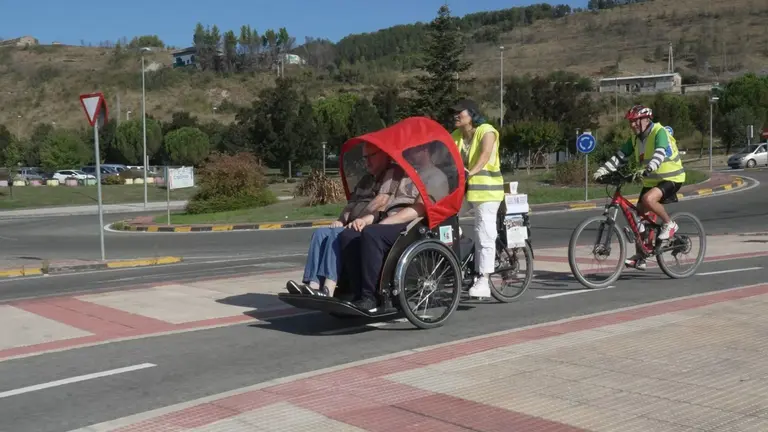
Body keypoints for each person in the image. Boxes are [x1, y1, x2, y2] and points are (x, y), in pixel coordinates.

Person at [338, 144, 450, 312]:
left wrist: (383, 223)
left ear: (425, 151)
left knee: (372, 234)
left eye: (413, 150)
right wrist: (368, 219)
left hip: (414, 225)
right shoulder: (406, 175)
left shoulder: (435, 177)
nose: (408, 153)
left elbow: (418, 209)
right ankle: (357, 292)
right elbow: (386, 205)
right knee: (349, 235)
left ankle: (371, 297)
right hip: (390, 219)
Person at [286, 142, 404, 296]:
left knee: (337, 235)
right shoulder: (366, 179)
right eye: (365, 157)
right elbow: (350, 205)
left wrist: (360, 218)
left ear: (383, 154)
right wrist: (341, 220)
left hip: (370, 223)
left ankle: (328, 288)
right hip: (353, 223)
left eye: (371, 156)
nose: (367, 161)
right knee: (321, 233)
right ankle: (312, 285)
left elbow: (381, 201)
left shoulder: (391, 173)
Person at [593, 104, 686, 270]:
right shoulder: (635, 140)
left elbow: (660, 152)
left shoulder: (659, 131)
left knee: (648, 199)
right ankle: (641, 257)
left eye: (636, 121)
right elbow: (619, 157)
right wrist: (601, 171)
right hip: (651, 181)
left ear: (646, 119)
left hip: (672, 177)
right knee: (638, 218)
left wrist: (649, 167)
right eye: (631, 122)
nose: (633, 125)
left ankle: (669, 223)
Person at [450, 99, 505, 299]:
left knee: (484, 231)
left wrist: (469, 172)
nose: (455, 115)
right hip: (465, 192)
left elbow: (485, 155)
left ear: (471, 114)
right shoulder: (456, 136)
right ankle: (466, 247)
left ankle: (483, 280)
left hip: (488, 192)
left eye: (459, 112)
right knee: (444, 219)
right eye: (453, 112)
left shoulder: (486, 131)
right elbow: (443, 157)